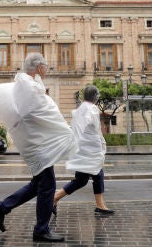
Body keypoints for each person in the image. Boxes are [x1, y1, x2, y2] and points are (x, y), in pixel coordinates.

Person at [0, 52, 77, 242]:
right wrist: (65, 131)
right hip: (39, 146)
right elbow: (41, 113)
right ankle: (41, 230)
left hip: (38, 144)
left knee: (38, 184)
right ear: (40, 67)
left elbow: (40, 111)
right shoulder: (29, 87)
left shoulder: (26, 85)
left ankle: (2, 207)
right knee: (48, 186)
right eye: (45, 66)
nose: (46, 70)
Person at [52, 85, 114, 217]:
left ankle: (99, 205)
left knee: (83, 180)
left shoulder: (81, 109)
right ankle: (99, 205)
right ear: (96, 97)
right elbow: (91, 133)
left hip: (84, 152)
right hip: (88, 153)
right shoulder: (90, 110)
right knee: (93, 176)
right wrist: (99, 148)